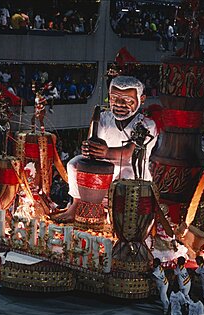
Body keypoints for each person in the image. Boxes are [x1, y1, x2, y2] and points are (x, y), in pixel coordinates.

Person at [54, 75, 158, 222]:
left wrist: (107, 152)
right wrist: (89, 149)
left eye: (128, 100)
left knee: (126, 178)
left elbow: (129, 153)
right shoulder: (103, 117)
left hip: (130, 168)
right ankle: (76, 205)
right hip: (104, 163)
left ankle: (119, 219)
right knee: (74, 164)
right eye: (115, 99)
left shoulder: (146, 124)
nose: (120, 104)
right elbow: (93, 140)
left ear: (142, 99)